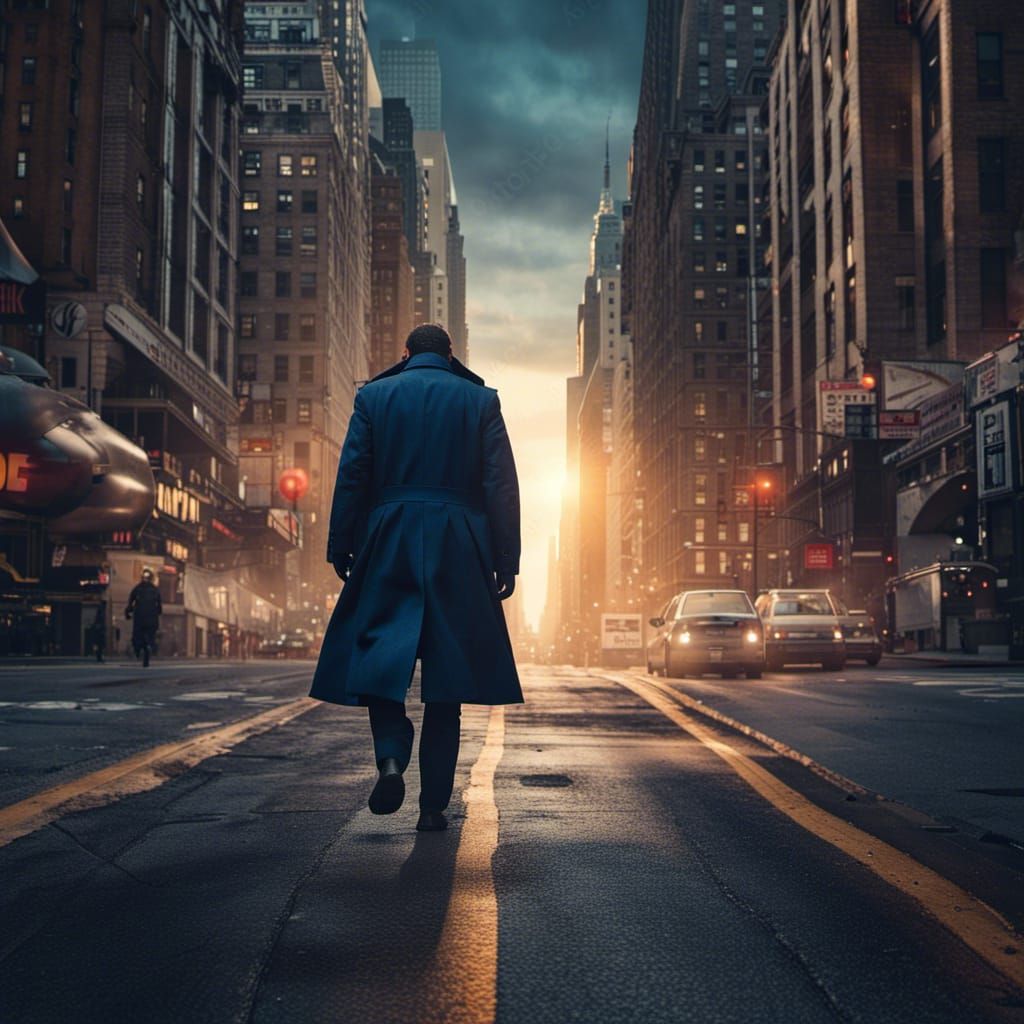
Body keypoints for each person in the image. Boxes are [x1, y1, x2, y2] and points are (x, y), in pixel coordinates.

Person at [310, 323, 522, 832]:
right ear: (451, 355)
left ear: (405, 354)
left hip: (390, 539)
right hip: (459, 545)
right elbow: (501, 484)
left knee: (380, 664)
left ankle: (389, 758)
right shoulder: (481, 400)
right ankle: (433, 808)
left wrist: (341, 544)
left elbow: (353, 474)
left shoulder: (374, 397)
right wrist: (505, 558)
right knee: (447, 684)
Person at [125, 567, 162, 667]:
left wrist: (128, 611)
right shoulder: (155, 590)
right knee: (150, 635)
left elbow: (130, 602)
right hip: (150, 619)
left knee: (137, 635)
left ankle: (143, 647)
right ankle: (149, 646)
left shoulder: (138, 588)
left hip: (141, 618)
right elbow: (159, 607)